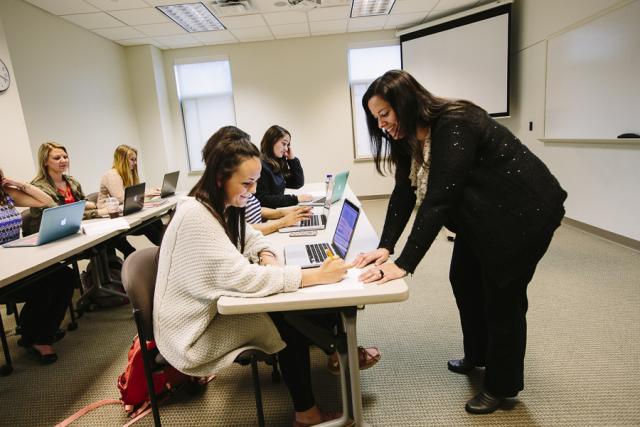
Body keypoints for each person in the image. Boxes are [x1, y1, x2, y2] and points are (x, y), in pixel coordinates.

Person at [354, 70, 567, 414]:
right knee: (465, 280)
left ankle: (501, 387)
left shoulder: (456, 123)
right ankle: (478, 355)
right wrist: (386, 246)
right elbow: (404, 191)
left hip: (521, 216)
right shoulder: (409, 138)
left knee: (503, 299)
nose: (381, 124)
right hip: (480, 219)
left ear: (405, 103)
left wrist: (403, 264)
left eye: (385, 114)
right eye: (375, 118)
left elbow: (440, 200)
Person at [153, 126, 352, 426]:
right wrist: (314, 277)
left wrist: (267, 256)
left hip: (209, 312)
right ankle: (311, 404)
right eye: (247, 183)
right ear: (221, 178)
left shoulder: (222, 203)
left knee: (286, 309)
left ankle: (337, 349)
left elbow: (249, 237)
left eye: (256, 181)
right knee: (282, 319)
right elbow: (246, 280)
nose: (254, 190)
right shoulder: (196, 215)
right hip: (190, 333)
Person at [1, 168, 75, 364]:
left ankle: (39, 332)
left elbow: (46, 201)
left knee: (66, 277)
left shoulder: (5, 195)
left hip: (19, 260)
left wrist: (20, 184)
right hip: (3, 272)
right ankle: (37, 338)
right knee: (42, 290)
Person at [96, 144, 163, 257]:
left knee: (154, 219)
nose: (135, 163)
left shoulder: (127, 173)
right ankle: (166, 247)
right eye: (132, 159)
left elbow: (135, 192)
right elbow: (122, 198)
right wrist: (148, 193)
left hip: (124, 212)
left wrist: (153, 190)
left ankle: (167, 245)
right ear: (122, 160)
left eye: (135, 159)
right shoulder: (112, 175)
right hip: (109, 216)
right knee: (148, 224)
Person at [28, 142, 98, 233]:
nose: (63, 160)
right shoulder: (38, 187)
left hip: (74, 229)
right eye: (57, 158)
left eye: (65, 157)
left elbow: (84, 203)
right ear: (45, 162)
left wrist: (91, 205)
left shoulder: (72, 181)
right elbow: (61, 217)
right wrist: (97, 212)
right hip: (51, 234)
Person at [255, 125, 314, 208]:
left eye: (287, 145)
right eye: (283, 144)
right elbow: (263, 200)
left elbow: (297, 183)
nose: (286, 148)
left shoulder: (276, 164)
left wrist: (292, 159)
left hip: (278, 212)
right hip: (269, 217)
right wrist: (296, 199)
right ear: (272, 141)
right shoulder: (260, 165)